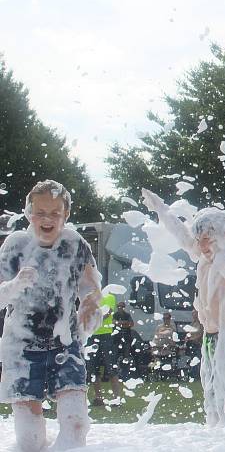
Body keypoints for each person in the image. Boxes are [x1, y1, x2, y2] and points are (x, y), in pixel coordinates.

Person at [141, 188, 225, 427]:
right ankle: (215, 437)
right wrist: (160, 208)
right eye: (200, 237)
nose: (203, 242)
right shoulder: (202, 259)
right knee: (211, 392)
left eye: (210, 236)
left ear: (224, 235)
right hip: (210, 338)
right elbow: (180, 232)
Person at [0, 179, 102, 451]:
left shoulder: (75, 244)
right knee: (30, 440)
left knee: (77, 423)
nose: (47, 219)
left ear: (66, 215)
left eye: (55, 213)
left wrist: (91, 303)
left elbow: (91, 286)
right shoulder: (15, 245)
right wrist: (14, 286)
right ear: (28, 213)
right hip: (21, 348)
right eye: (40, 213)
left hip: (65, 342)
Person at [86, 292, 122, 405]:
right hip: (92, 335)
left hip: (106, 335)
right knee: (94, 369)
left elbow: (108, 313)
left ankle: (117, 398)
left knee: (111, 367)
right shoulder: (89, 298)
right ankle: (98, 398)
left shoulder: (110, 297)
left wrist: (93, 316)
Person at [112, 301, 135, 379]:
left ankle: (125, 374)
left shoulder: (127, 315)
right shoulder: (115, 315)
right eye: (119, 306)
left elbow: (131, 324)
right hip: (116, 339)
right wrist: (125, 323)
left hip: (126, 339)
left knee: (126, 356)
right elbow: (114, 322)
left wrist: (120, 323)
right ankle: (115, 374)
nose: (120, 308)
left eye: (121, 306)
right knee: (114, 356)